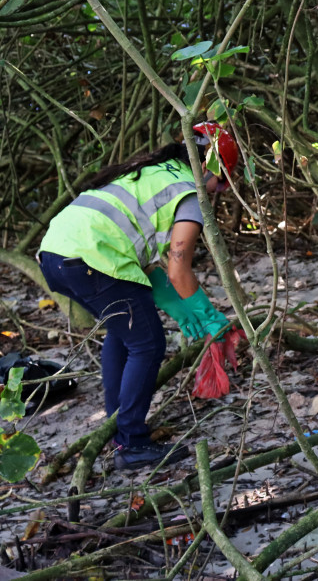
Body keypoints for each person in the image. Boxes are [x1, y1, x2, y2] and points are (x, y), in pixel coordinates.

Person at [38, 122, 239, 470]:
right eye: (221, 182)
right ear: (212, 166)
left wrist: (177, 304)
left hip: (55, 255)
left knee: (125, 332)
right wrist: (207, 314)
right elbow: (178, 268)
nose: (219, 192)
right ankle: (131, 442)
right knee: (147, 345)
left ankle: (118, 426)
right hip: (92, 259)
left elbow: (146, 266)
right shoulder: (190, 193)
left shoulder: (152, 171)